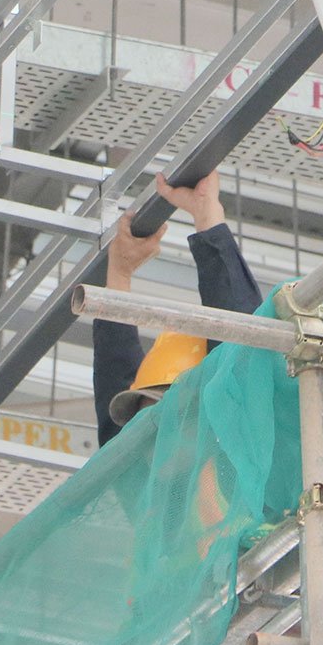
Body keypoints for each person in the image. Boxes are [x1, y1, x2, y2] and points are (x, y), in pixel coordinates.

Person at [92, 171, 261, 446]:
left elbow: (242, 357)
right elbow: (115, 374)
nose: (158, 439)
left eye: (170, 420)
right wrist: (119, 273)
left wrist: (208, 218)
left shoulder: (233, 462)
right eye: (151, 422)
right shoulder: (134, 475)